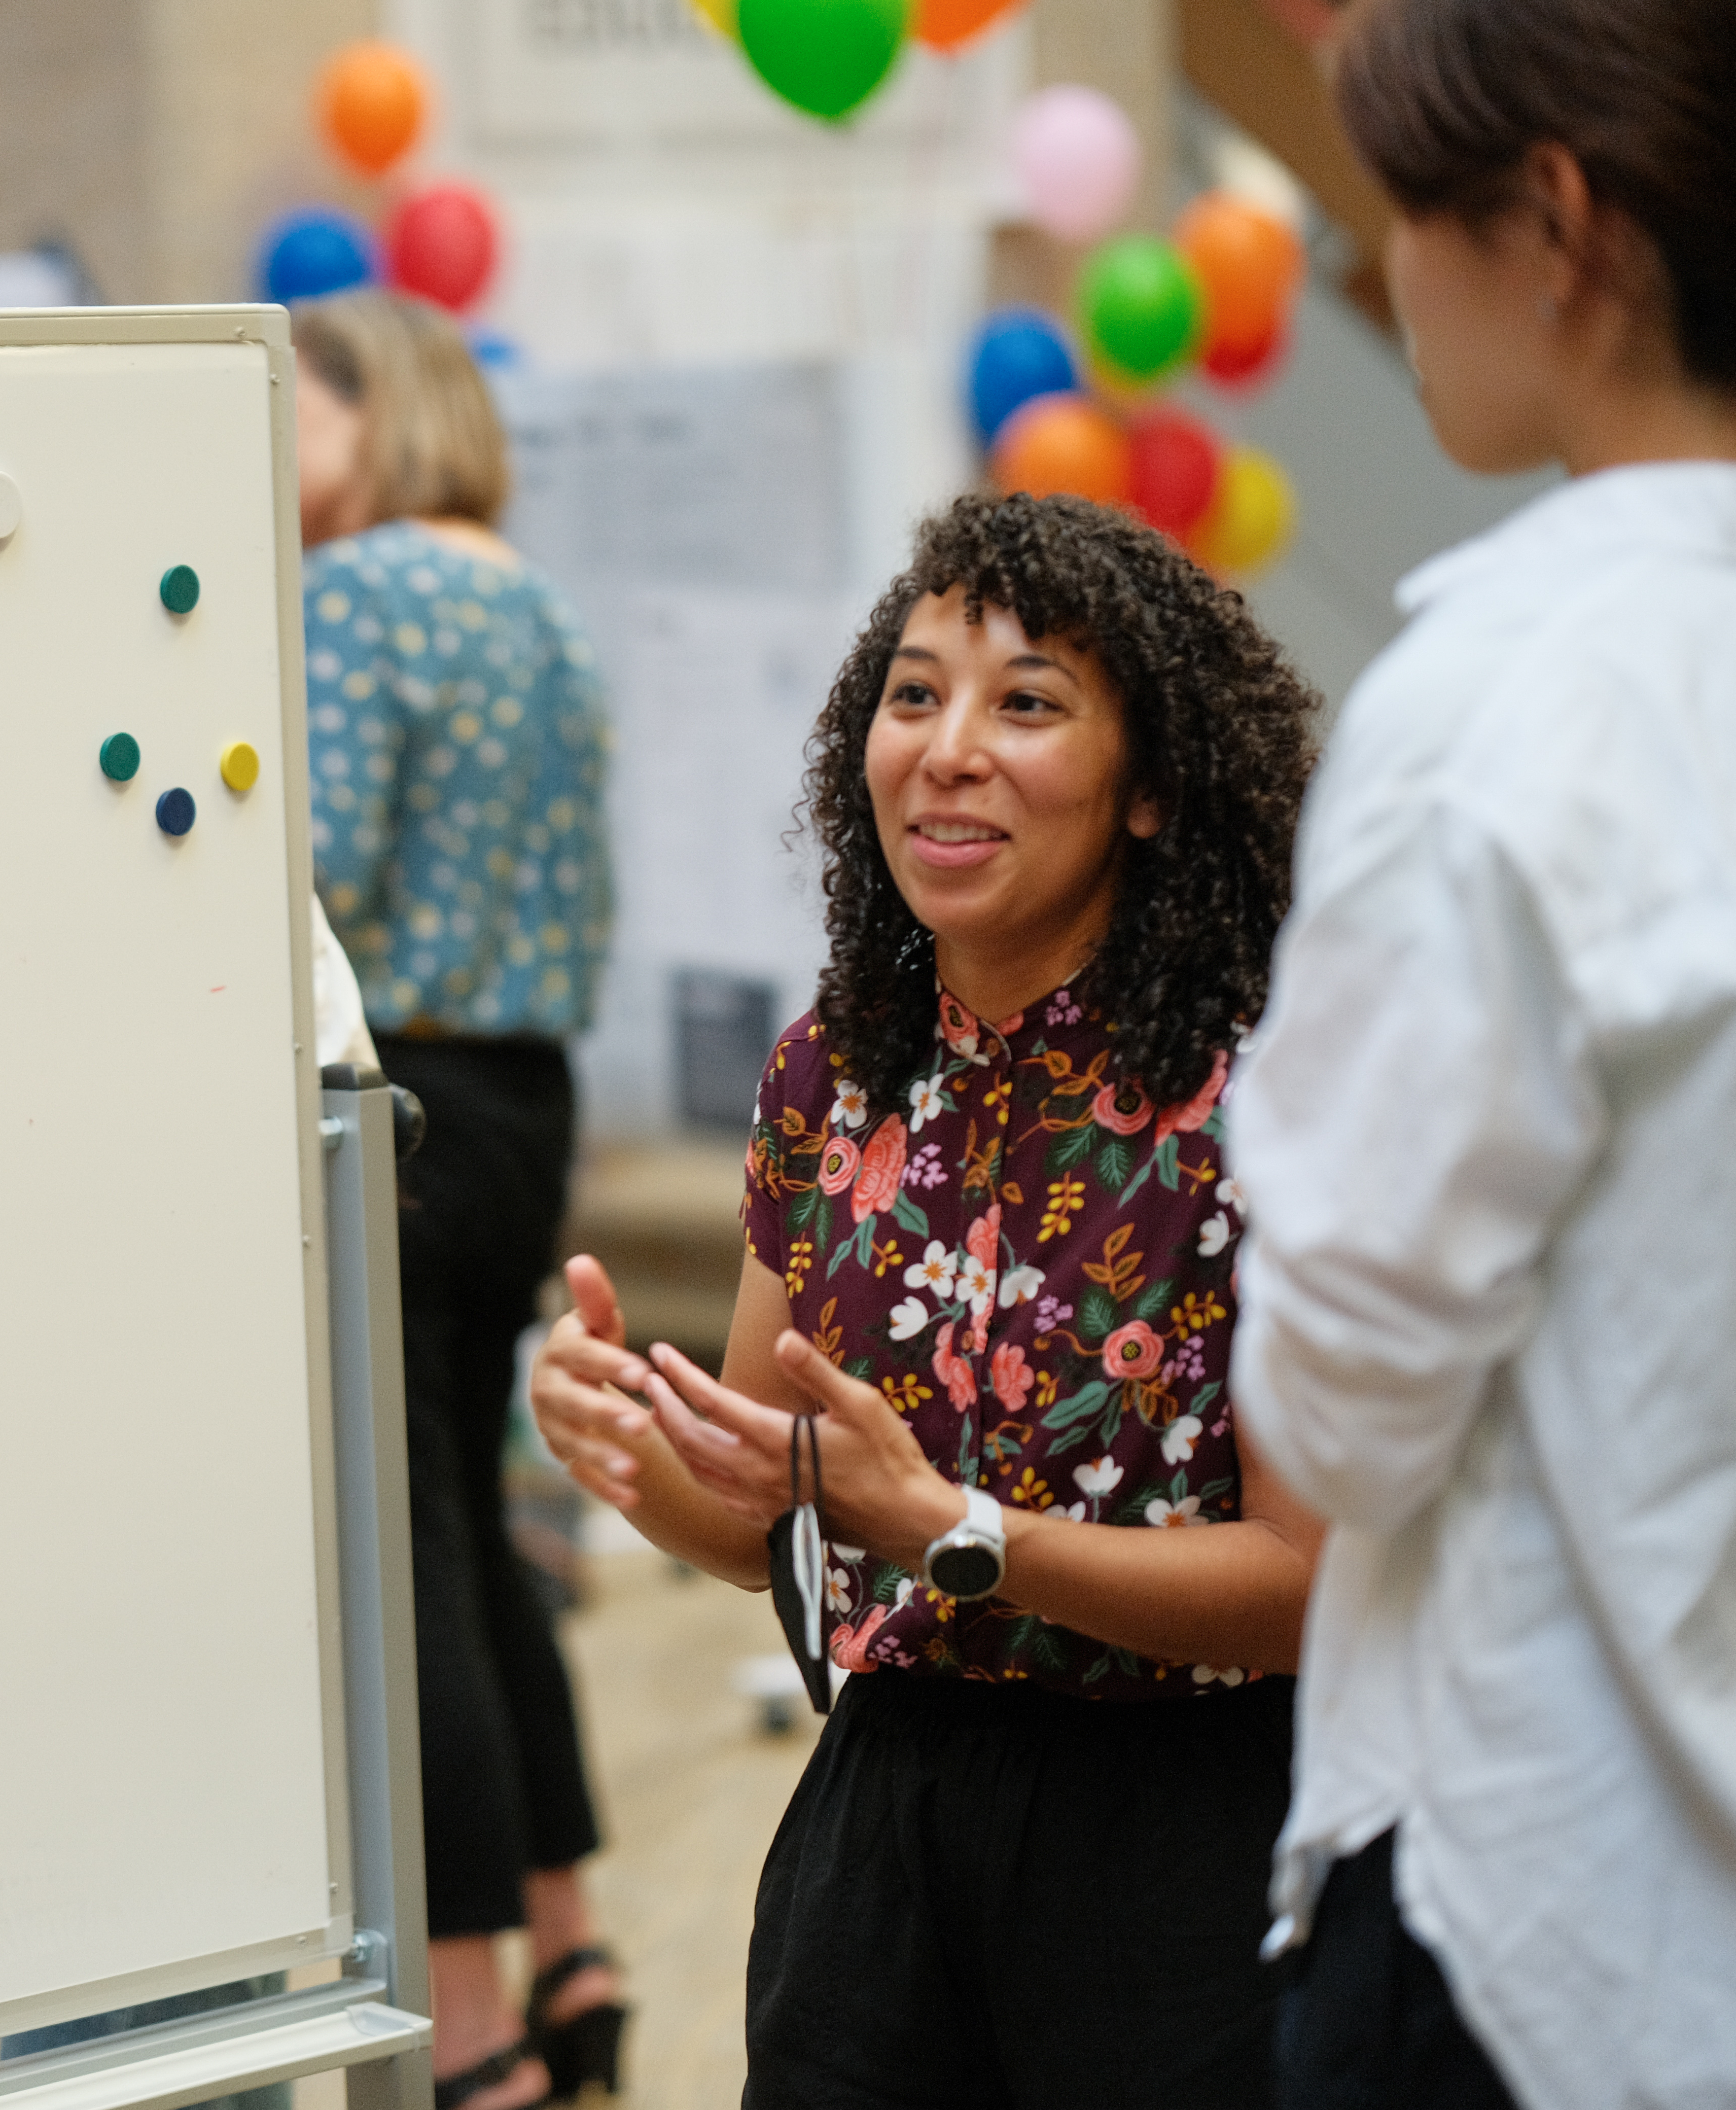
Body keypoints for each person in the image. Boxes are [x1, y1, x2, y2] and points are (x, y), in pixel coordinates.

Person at [1220, 3, 1736, 2105]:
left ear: (1562, 225)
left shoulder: (1505, 694)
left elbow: (1341, 1393)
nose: (1391, 263)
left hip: (1541, 1901)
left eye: (1412, 204)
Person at [533, 491, 1327, 2107]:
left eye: (1025, 702)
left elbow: (1317, 1580)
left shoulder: (1274, 1099)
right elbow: (777, 1513)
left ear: (1155, 787)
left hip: (1184, 1847)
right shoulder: (838, 1071)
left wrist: (955, 1532)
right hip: (882, 1848)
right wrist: (633, 1445)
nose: (948, 748)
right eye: (915, 693)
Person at [292, 290, 620, 2110]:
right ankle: (577, 1956)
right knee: (487, 1556)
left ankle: (478, 2038)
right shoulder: (534, 594)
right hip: (531, 1099)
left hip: (400, 1103)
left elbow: (312, 857)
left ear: (372, 413)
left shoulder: (354, 598)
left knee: (410, 1567)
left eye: (294, 406)